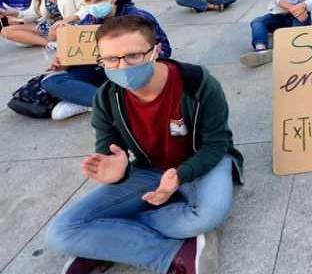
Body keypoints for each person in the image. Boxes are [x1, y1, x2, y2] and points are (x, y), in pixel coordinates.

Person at [46, 14, 244, 274]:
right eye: (110, 59)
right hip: (149, 170)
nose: (122, 66)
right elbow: (109, 149)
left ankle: (108, 239)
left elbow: (217, 144)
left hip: (203, 164)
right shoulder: (107, 98)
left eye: (133, 56)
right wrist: (117, 171)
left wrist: (181, 175)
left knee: (206, 216)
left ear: (155, 51)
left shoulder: (196, 82)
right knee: (61, 232)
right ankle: (173, 253)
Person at [41, 0, 171, 120]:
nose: (93, 5)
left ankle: (96, 101)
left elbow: (164, 50)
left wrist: (132, 57)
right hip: (99, 68)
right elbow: (82, 50)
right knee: (51, 81)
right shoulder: (90, 19)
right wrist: (64, 61)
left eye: (98, 0)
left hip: (129, 69)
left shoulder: (138, 18)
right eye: (88, 1)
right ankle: (106, 102)